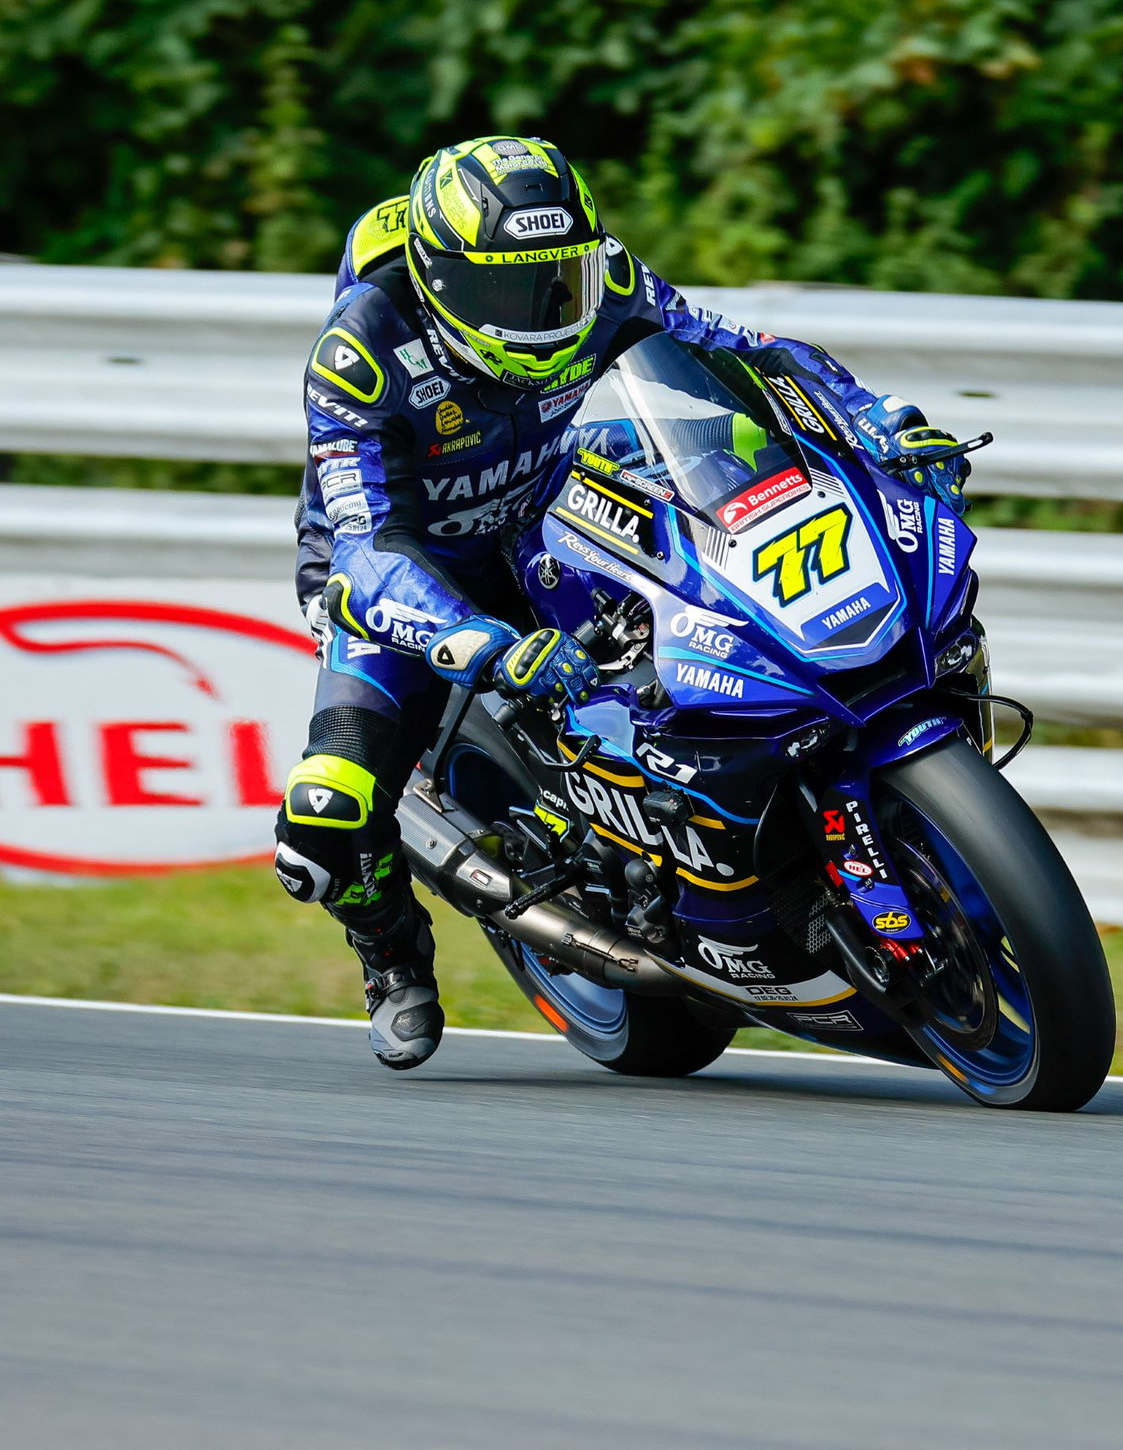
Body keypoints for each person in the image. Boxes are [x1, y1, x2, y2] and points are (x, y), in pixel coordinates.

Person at [272, 135, 971, 1069]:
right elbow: (364, 551)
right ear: (441, 282)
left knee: (690, 650)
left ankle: (731, 845)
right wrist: (473, 639)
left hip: (539, 519)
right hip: (407, 574)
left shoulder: (600, 280)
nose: (541, 308)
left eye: (556, 280)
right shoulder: (360, 351)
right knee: (324, 821)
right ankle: (390, 953)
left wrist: (869, 414)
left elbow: (737, 350)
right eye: (504, 290)